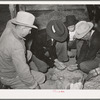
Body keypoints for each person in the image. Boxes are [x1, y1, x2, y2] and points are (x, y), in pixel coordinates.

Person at [0, 11, 45, 89]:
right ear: (23, 28)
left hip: (4, 63)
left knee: (29, 53)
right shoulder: (16, 47)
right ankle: (12, 86)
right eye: (29, 30)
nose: (30, 32)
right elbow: (23, 71)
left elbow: (11, 21)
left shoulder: (10, 26)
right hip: (9, 76)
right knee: (42, 78)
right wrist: (34, 86)